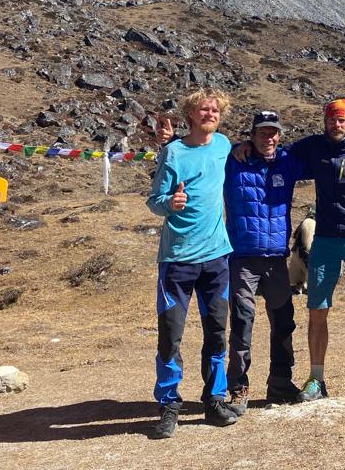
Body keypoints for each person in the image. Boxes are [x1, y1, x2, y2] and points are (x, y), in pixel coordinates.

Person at [234, 98, 345, 405]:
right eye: (332, 120)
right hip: (325, 240)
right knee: (317, 310)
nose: (336, 125)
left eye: (342, 120)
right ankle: (316, 378)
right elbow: (276, 150)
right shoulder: (313, 146)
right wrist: (243, 145)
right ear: (325, 121)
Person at [146, 88, 238, 438]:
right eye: (203, 110)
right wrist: (171, 202)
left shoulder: (224, 145)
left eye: (215, 110)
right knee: (170, 336)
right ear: (190, 114)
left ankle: (214, 399)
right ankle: (169, 405)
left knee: (217, 333)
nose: (210, 114)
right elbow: (154, 201)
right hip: (178, 259)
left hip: (216, 258)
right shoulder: (173, 152)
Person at [221, 110, 309, 416]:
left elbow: (324, 153)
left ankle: (281, 382)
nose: (268, 138)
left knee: (284, 322)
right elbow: (204, 145)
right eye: (262, 133)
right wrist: (235, 145)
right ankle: (237, 387)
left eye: (273, 133)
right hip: (242, 257)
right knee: (242, 323)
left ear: (279, 135)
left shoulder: (287, 161)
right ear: (252, 135)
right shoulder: (234, 161)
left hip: (276, 259)